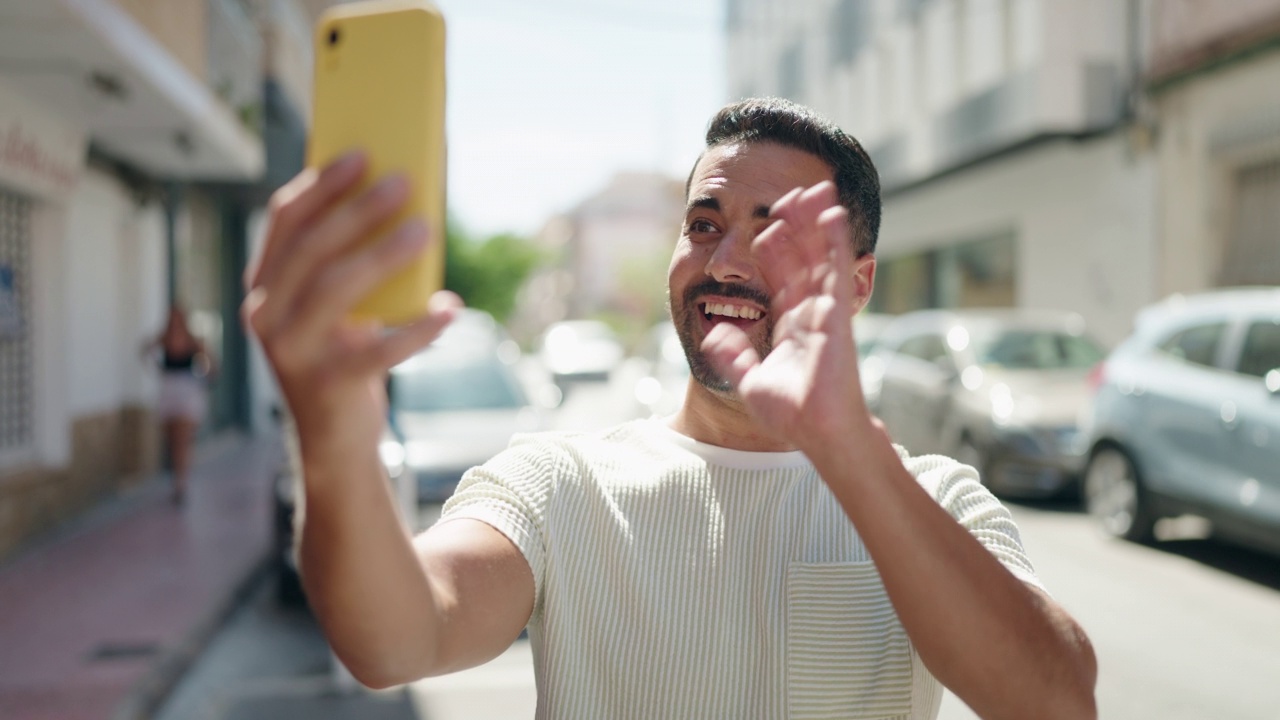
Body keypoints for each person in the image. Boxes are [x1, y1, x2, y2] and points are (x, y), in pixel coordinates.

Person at [244, 98, 1097, 718]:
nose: (727, 259)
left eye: (777, 231)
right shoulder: (557, 483)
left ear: (858, 284)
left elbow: (1055, 703)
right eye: (703, 222)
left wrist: (847, 449)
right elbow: (396, 641)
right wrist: (332, 438)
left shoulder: (934, 499)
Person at [146, 305, 216, 505]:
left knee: (182, 440)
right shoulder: (164, 338)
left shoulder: (193, 340)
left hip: (187, 392)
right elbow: (146, 350)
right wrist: (158, 368)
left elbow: (210, 361)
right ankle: (177, 478)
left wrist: (204, 378)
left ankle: (181, 484)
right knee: (171, 439)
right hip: (169, 390)